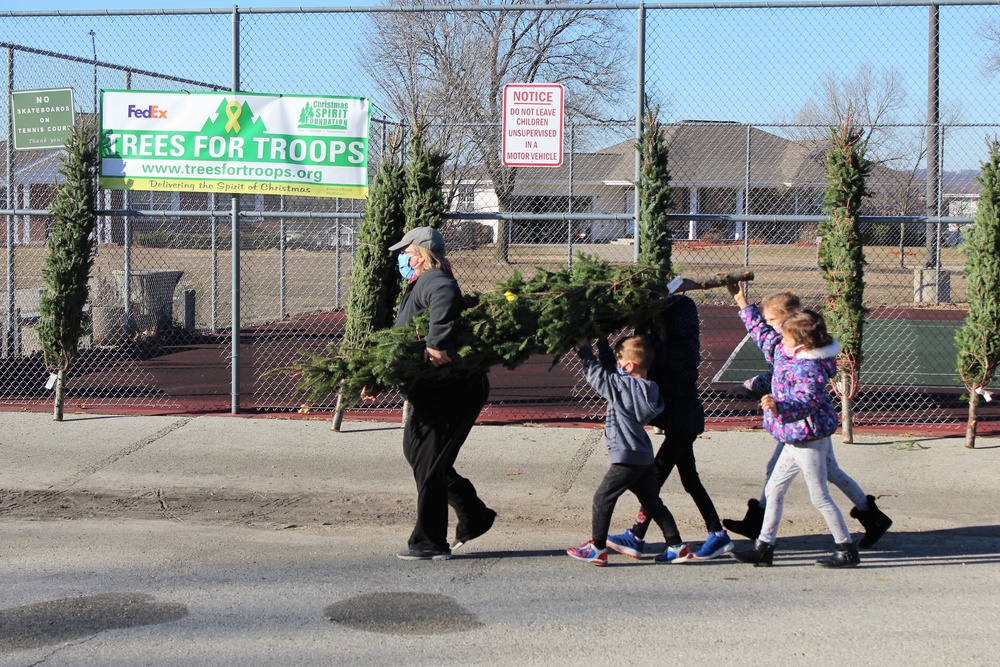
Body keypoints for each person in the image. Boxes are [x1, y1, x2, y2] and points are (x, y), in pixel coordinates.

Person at [723, 290, 892, 549]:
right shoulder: (786, 346)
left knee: (815, 491)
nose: (767, 325)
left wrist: (778, 406)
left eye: (771, 320)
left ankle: (843, 544)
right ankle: (872, 517)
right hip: (799, 426)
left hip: (804, 428)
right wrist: (741, 302)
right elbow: (764, 342)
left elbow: (802, 396)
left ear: (790, 320)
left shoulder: (804, 360)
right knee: (825, 471)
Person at [388, 226, 496, 561]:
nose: (402, 259)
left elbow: (445, 297)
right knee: (419, 456)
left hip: (450, 390)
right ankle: (473, 513)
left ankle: (429, 542)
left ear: (419, 254)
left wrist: (437, 343)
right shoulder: (422, 281)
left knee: (429, 464)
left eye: (405, 253)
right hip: (438, 390)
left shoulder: (434, 279)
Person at [606, 294, 733, 562]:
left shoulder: (682, 348)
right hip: (678, 424)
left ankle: (637, 535)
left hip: (684, 423)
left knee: (654, 478)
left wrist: (648, 332)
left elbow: (654, 355)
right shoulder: (665, 341)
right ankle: (717, 534)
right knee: (690, 480)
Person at [566, 335, 690, 566]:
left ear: (628, 366)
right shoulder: (650, 388)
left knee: (602, 497)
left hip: (626, 456)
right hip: (643, 456)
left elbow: (597, 375)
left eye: (619, 360)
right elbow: (610, 372)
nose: (616, 364)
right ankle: (676, 545)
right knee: (652, 502)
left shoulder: (620, 386)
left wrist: (584, 348)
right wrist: (603, 342)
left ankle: (598, 547)